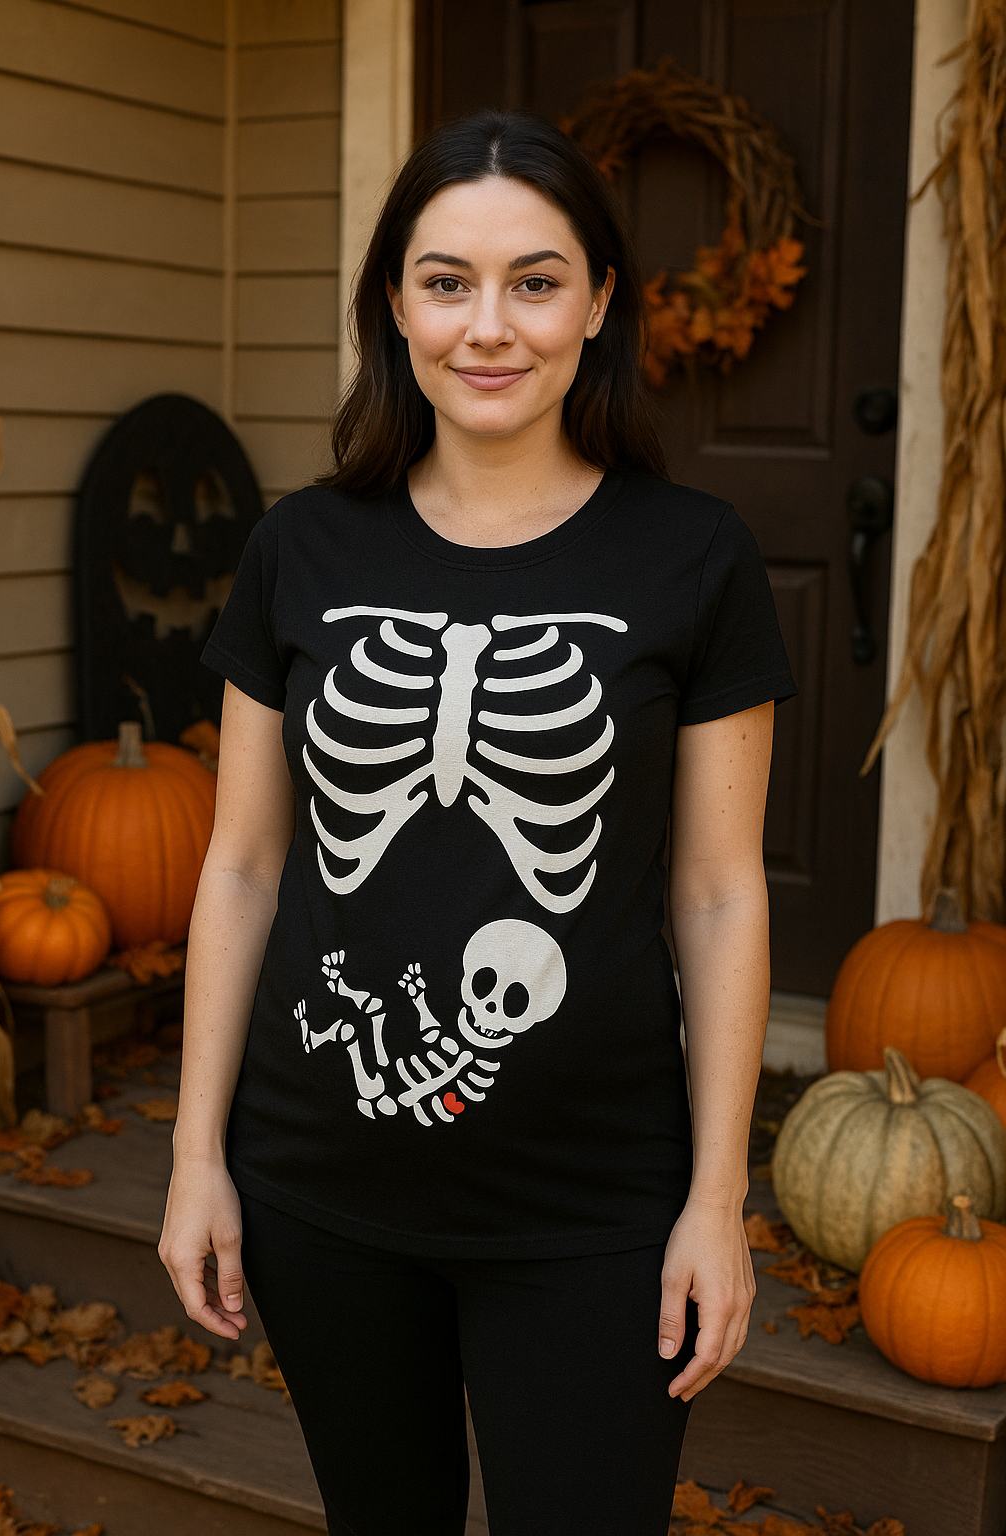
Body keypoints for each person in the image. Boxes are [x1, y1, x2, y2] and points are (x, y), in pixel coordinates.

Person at [158, 108, 795, 1536]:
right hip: (323, 1186)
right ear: (395, 302)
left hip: (594, 1206)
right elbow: (246, 864)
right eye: (447, 281)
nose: (488, 326)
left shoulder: (694, 558)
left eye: (536, 279)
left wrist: (716, 1200)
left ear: (601, 302)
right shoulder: (299, 548)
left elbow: (718, 896)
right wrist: (199, 1154)